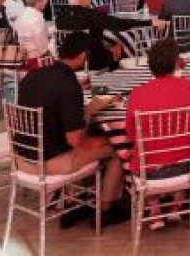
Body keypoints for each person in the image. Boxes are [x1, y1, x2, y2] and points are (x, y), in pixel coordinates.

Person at [14, 31, 129, 229]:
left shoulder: (31, 77)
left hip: (21, 158)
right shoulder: (68, 85)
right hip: (49, 163)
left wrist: (85, 113)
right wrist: (91, 112)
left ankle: (79, 202)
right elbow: (76, 140)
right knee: (117, 148)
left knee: (91, 141)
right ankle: (106, 209)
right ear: (82, 55)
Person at [125, 38, 190, 230]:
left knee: (141, 153)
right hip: (186, 167)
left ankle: (154, 210)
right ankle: (177, 205)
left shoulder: (137, 94)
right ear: (176, 63)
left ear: (150, 65)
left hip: (149, 171)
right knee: (188, 147)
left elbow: (131, 134)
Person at [56, 0, 146, 71]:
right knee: (120, 45)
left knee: (108, 44)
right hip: (92, 61)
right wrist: (148, 22)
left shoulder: (60, 16)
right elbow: (120, 24)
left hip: (68, 60)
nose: (91, 0)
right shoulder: (90, 15)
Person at [14, 0, 52, 66]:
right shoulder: (37, 18)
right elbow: (42, 48)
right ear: (38, 1)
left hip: (21, 58)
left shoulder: (22, 14)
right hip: (35, 61)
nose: (47, 2)